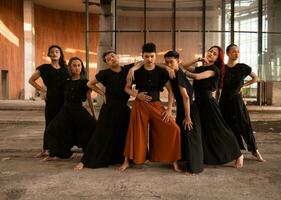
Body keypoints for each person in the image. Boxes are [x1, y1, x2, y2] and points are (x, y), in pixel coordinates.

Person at [119, 43, 181, 172]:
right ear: (142, 56)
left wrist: (169, 109)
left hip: (156, 104)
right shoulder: (136, 71)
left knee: (173, 129)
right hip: (139, 105)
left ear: (155, 55)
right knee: (134, 133)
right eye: (146, 56)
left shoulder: (161, 71)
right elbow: (126, 88)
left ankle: (174, 161)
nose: (149, 59)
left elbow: (170, 91)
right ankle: (126, 161)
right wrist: (136, 94)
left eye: (152, 56)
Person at [74, 51, 140, 170]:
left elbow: (141, 62)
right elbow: (90, 84)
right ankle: (86, 161)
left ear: (117, 56)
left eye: (113, 56)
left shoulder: (126, 69)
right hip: (109, 107)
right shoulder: (104, 73)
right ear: (107, 63)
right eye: (109, 59)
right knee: (101, 134)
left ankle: (121, 158)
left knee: (123, 133)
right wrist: (102, 93)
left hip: (123, 107)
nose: (112, 59)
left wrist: (132, 69)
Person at [184, 46, 244, 168]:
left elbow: (196, 77)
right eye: (210, 51)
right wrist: (197, 60)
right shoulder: (201, 68)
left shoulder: (214, 69)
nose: (211, 54)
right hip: (198, 103)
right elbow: (184, 66)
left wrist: (180, 72)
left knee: (221, 130)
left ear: (217, 58)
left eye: (215, 53)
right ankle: (207, 156)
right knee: (205, 132)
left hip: (209, 103)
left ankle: (238, 154)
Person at [42, 57, 96, 161]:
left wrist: (93, 114)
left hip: (78, 110)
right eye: (74, 65)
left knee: (93, 127)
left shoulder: (85, 82)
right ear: (70, 68)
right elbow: (51, 87)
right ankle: (58, 154)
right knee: (51, 130)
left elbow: (89, 100)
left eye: (79, 65)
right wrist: (43, 92)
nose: (77, 68)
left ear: (82, 67)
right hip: (65, 110)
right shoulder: (65, 82)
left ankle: (89, 154)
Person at [218, 44, 265, 162]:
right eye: (234, 51)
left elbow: (255, 78)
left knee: (244, 125)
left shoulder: (243, 67)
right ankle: (235, 152)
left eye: (238, 51)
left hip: (237, 100)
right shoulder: (222, 68)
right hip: (224, 101)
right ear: (228, 53)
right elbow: (219, 88)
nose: (236, 53)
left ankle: (254, 150)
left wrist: (243, 86)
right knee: (228, 126)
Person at [164, 51, 204, 174]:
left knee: (191, 137)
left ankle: (194, 168)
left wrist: (187, 117)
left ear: (178, 61)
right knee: (184, 136)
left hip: (189, 109)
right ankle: (185, 161)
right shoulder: (173, 73)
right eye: (167, 62)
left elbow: (185, 97)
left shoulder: (179, 74)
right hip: (183, 108)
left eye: (171, 62)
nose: (169, 64)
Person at [28, 45, 69, 157]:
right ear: (49, 54)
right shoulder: (44, 68)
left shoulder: (66, 68)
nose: (55, 53)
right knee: (50, 123)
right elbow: (31, 80)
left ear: (60, 54)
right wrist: (42, 90)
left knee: (63, 124)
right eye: (52, 52)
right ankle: (46, 148)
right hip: (51, 99)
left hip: (64, 99)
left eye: (57, 51)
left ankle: (61, 147)